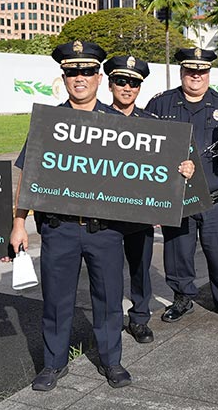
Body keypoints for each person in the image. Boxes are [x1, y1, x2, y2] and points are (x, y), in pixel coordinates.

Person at [10, 41, 131, 391]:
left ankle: (112, 361)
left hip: (105, 231)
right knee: (57, 301)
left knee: (108, 300)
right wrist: (19, 223)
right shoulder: (49, 122)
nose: (80, 78)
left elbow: (144, 175)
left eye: (88, 71)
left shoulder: (119, 124)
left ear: (99, 76)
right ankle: (53, 364)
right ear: (63, 77)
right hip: (58, 229)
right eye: (72, 72)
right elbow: (28, 175)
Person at [145, 47, 218, 322]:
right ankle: (182, 299)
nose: (196, 76)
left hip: (217, 198)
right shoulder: (161, 104)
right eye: (191, 70)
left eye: (202, 71)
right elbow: (145, 144)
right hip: (178, 196)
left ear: (208, 73)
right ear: (182, 71)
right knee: (178, 253)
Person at [103, 55, 194, 343]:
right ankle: (111, 319)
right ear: (110, 84)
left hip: (141, 216)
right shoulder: (96, 119)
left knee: (141, 270)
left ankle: (140, 318)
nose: (127, 87)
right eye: (121, 81)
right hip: (104, 213)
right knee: (108, 274)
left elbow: (168, 168)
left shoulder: (152, 123)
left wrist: (186, 168)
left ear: (140, 88)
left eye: (133, 83)